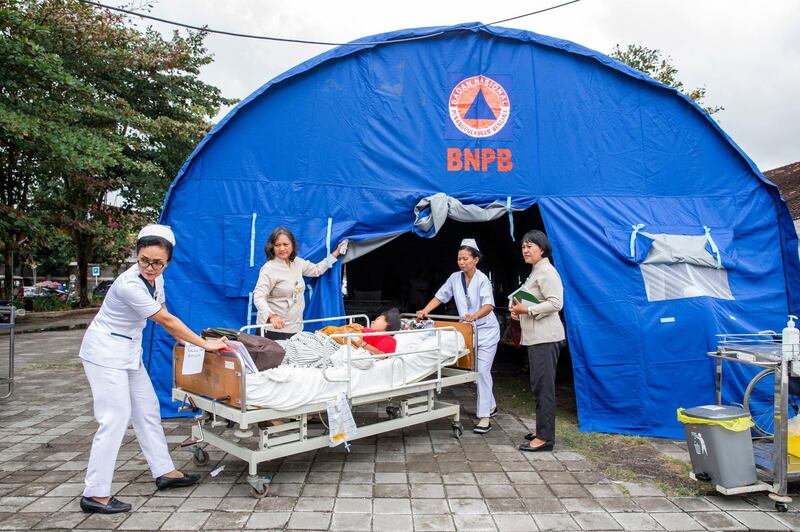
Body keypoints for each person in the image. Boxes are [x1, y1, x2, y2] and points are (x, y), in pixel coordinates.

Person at [78, 225, 227, 514]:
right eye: (144, 260)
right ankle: (94, 494)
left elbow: (165, 313)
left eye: (157, 263)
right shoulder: (129, 284)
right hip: (104, 353)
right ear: (137, 255)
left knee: (147, 410)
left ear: (168, 261)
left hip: (128, 352)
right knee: (114, 418)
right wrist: (203, 344)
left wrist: (193, 345)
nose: (149, 267)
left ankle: (165, 472)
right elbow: (165, 321)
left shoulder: (157, 280)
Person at [416, 239, 500, 434]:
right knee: (478, 371)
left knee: (482, 372)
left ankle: (484, 418)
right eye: (459, 259)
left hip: (486, 331)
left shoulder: (482, 280)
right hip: (468, 332)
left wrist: (474, 316)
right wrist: (424, 311)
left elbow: (489, 306)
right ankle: (491, 405)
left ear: (475, 260)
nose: (461, 262)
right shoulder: (455, 278)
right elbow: (441, 296)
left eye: (465, 258)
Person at [509, 229, 565, 452]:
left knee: (544, 388)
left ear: (542, 249)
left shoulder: (547, 272)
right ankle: (543, 429)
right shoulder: (535, 272)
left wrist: (528, 309)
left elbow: (556, 303)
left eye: (530, 246)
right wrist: (518, 310)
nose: (525, 250)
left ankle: (545, 438)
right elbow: (528, 300)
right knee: (538, 386)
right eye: (523, 246)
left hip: (546, 338)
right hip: (536, 338)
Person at [253, 227, 346, 340]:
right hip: (273, 329)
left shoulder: (297, 262)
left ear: (292, 245)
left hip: (295, 327)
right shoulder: (269, 268)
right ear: (272, 247)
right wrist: (271, 316)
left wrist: (335, 254)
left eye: (285, 244)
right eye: (278, 245)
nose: (282, 248)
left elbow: (316, 270)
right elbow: (258, 296)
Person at [319, 308, 402, 355]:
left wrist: (359, 342)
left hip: (355, 339)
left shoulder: (388, 338)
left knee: (331, 333)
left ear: (389, 323)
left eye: (377, 319)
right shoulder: (370, 331)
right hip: (354, 333)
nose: (373, 321)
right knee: (331, 330)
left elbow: (381, 355)